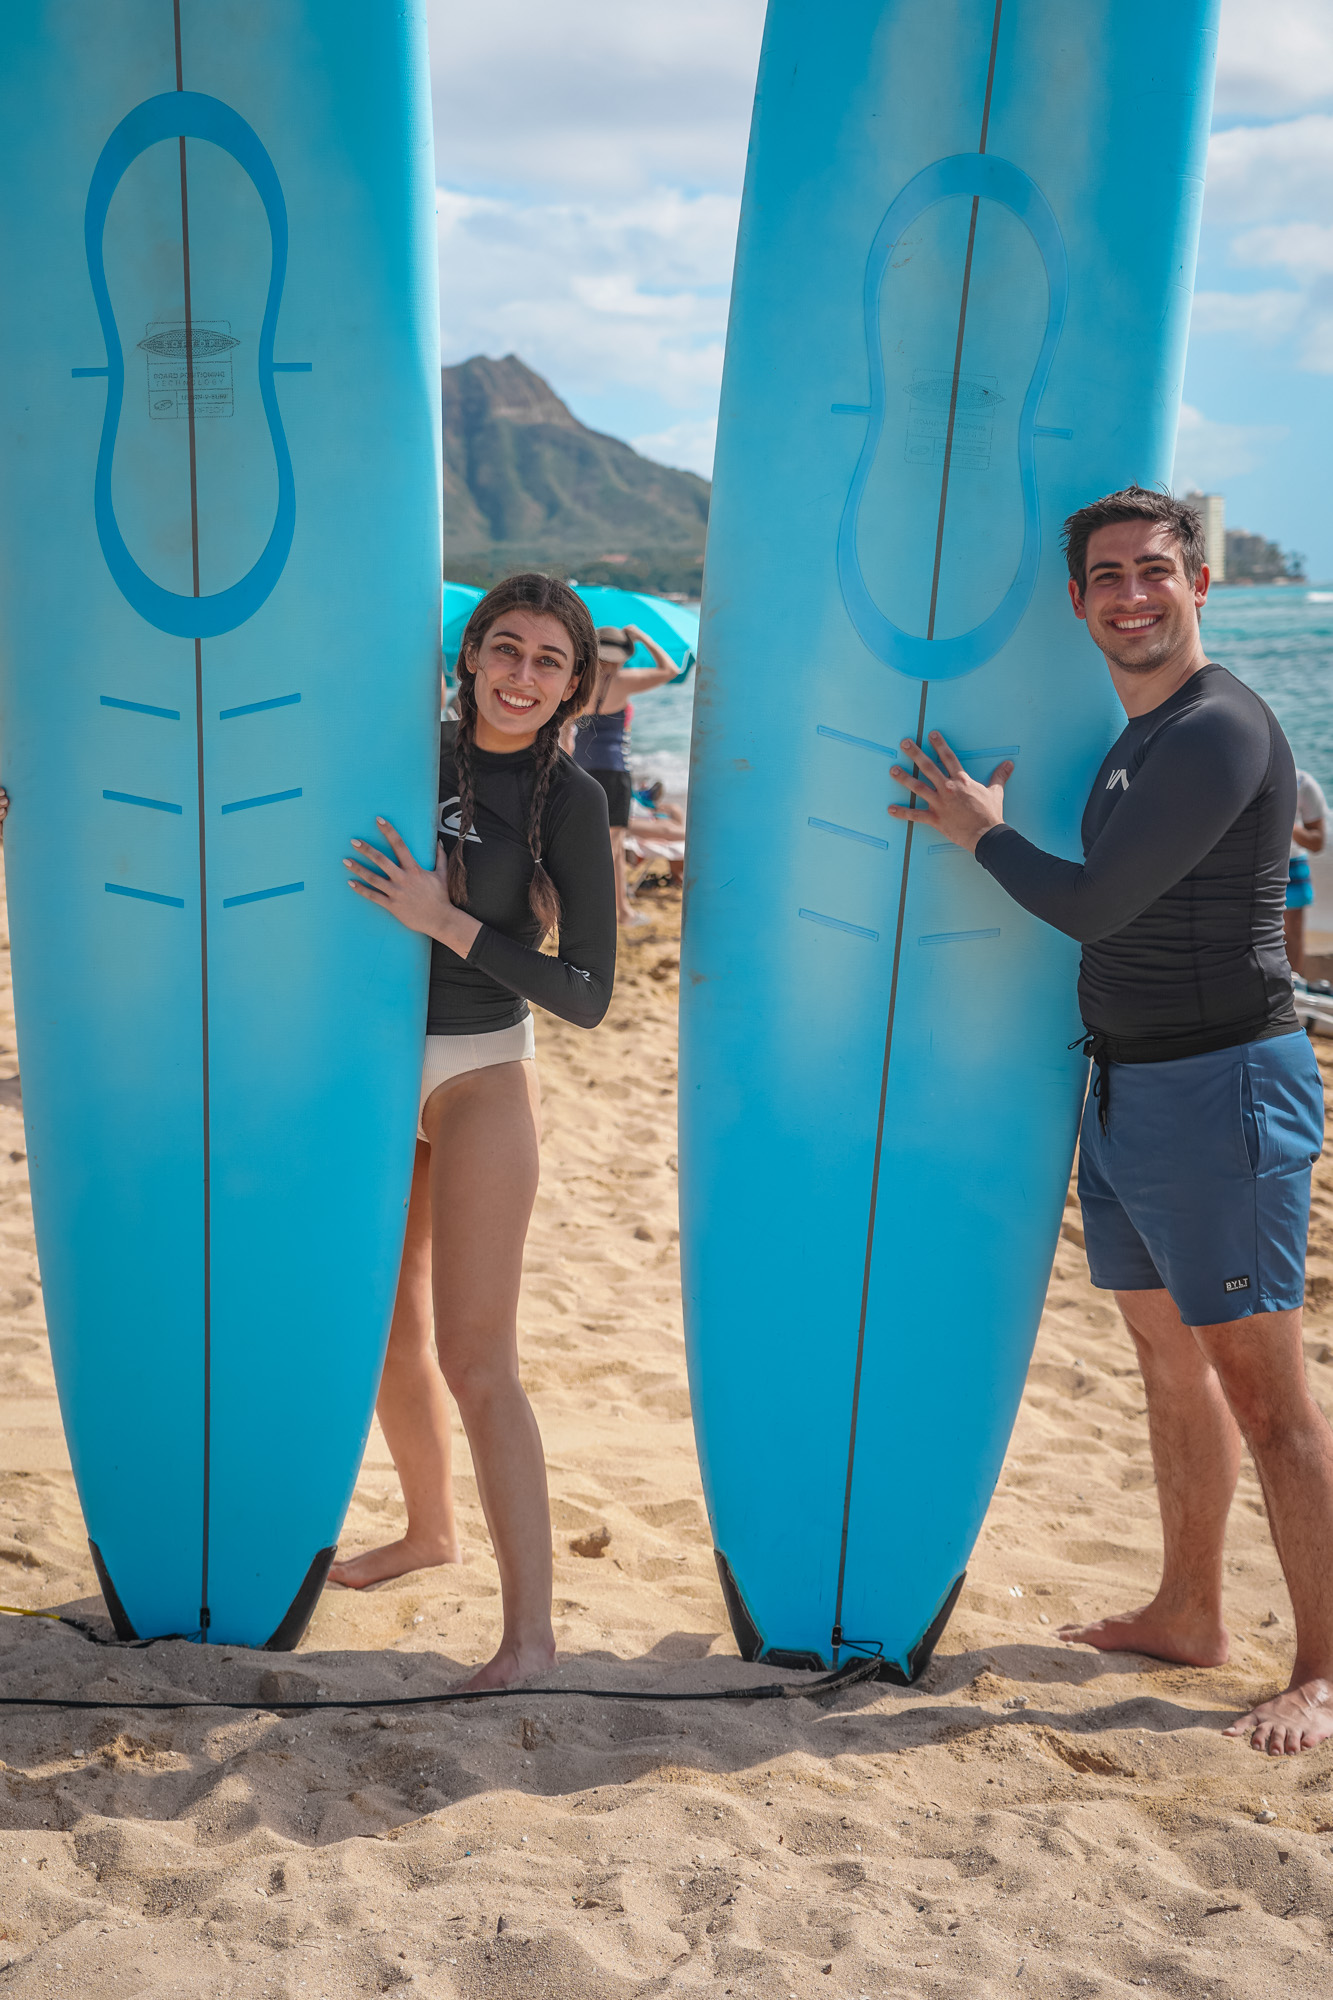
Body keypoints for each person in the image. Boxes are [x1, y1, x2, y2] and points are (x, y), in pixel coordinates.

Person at [887, 487, 1333, 1758]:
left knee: (1268, 1395)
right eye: (1107, 578)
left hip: (1222, 1091)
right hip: (1129, 1087)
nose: (1132, 596)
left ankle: (1322, 1669)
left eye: (1153, 571)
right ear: (1078, 602)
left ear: (1199, 584)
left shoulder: (1217, 728)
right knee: (1166, 1358)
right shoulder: (1141, 737)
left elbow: (1097, 905)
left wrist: (979, 830)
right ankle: (1188, 1610)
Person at [331, 573, 615, 1691]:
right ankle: (428, 1528)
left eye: (548, 660)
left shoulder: (572, 801)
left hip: (478, 1071)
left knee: (477, 1358)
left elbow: (588, 992)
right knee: (381, 1330)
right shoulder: (408, 749)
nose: (521, 675)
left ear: (573, 685)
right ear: (469, 654)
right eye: (505, 648)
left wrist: (443, 920)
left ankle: (529, 1638)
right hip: (365, 1069)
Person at [565, 625, 678, 924]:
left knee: (590, 843)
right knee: (613, 846)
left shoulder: (578, 683)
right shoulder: (622, 681)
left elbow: (565, 733)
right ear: (622, 656)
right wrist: (644, 638)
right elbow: (671, 669)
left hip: (581, 769)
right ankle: (619, 911)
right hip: (613, 771)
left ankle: (595, 908)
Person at [1285, 768, 1327, 977]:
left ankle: (1291, 987)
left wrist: (1285, 823)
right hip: (1250, 863)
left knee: (1291, 933)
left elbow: (1317, 842)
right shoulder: (1245, 776)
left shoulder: (1303, 783)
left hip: (1292, 863)